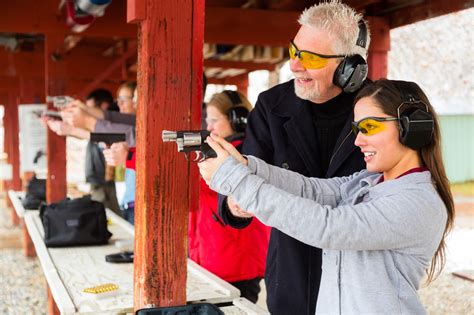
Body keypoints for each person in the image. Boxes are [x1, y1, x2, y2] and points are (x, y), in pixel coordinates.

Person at [199, 79, 454, 314]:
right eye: (357, 129)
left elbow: (327, 227)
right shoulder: (366, 182)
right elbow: (310, 189)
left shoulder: (417, 201)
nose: (358, 141)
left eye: (369, 127)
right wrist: (245, 164)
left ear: (413, 128)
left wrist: (234, 178)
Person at [217, 2, 369, 313]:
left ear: (349, 68)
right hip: (291, 274)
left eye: (311, 57)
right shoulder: (271, 105)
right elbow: (245, 172)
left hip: (360, 277)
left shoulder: (380, 111)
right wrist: (233, 203)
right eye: (294, 51)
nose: (295, 66)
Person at [189, 90, 270, 303]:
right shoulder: (220, 152)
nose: (209, 127)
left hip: (236, 263)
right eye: (208, 120)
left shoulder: (249, 154)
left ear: (238, 120)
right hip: (215, 258)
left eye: (214, 120)